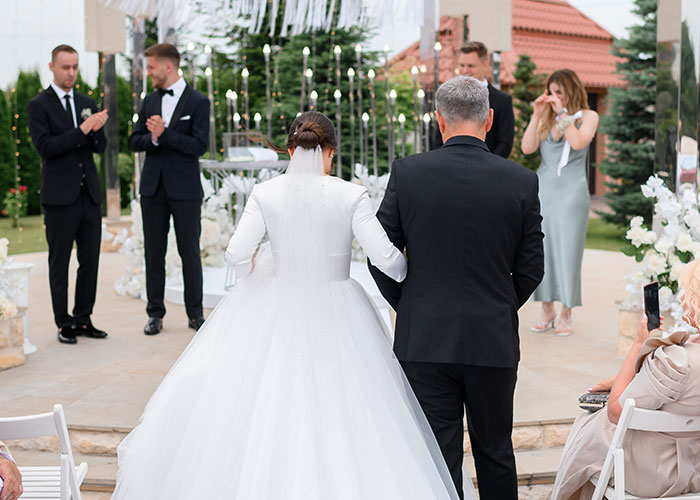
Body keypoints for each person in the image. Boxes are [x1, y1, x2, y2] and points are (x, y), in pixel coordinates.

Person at [112, 111, 472, 500]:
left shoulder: (266, 193)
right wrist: (414, 278)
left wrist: (260, 266)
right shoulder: (351, 194)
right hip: (340, 310)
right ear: (331, 152)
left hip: (278, 307)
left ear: (289, 149)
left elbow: (235, 254)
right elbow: (386, 258)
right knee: (356, 407)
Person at [369, 76, 545, 500]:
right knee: (496, 451)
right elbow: (531, 269)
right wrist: (500, 305)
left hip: (425, 338)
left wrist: (411, 302)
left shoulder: (408, 172)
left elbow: (380, 254)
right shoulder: (521, 181)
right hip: (492, 338)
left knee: (435, 454)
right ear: (489, 120)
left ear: (439, 121)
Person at [552, 260, 700, 499]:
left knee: (591, 422)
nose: (682, 299)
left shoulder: (677, 361)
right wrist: (631, 377)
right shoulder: (684, 354)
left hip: (655, 475)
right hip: (696, 470)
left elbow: (616, 410)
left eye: (686, 292)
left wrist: (640, 342)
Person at [26, 44, 109, 344]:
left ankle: (83, 319)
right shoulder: (39, 105)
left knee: (90, 261)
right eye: (65, 67)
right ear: (52, 67)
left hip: (89, 196)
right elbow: (46, 148)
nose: (71, 72)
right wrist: (84, 130)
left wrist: (98, 130)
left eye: (75, 67)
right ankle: (63, 323)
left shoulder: (87, 101)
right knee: (59, 262)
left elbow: (100, 147)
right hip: (59, 198)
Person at [130, 43, 209, 335]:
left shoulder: (199, 102)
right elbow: (134, 141)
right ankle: (155, 314)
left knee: (190, 252)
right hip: (152, 188)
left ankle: (195, 314)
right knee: (154, 253)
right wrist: (151, 138)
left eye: (151, 67)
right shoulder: (150, 100)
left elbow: (199, 146)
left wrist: (165, 134)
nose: (147, 72)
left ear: (168, 66)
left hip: (185, 189)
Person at [522, 68, 599, 336]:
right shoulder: (547, 116)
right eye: (550, 92)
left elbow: (578, 143)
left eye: (559, 92)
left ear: (570, 90)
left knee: (568, 250)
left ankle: (567, 310)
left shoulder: (588, 116)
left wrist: (564, 116)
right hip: (544, 190)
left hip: (572, 192)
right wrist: (536, 114)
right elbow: (527, 147)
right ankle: (546, 309)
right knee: (541, 249)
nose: (554, 97)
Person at [430, 41, 515, 158]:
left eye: (470, 66)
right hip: (449, 166)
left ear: (485, 65)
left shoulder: (503, 100)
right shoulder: (448, 96)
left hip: (488, 170)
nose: (465, 70)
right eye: (461, 65)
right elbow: (439, 138)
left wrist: (488, 165)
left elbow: (505, 143)